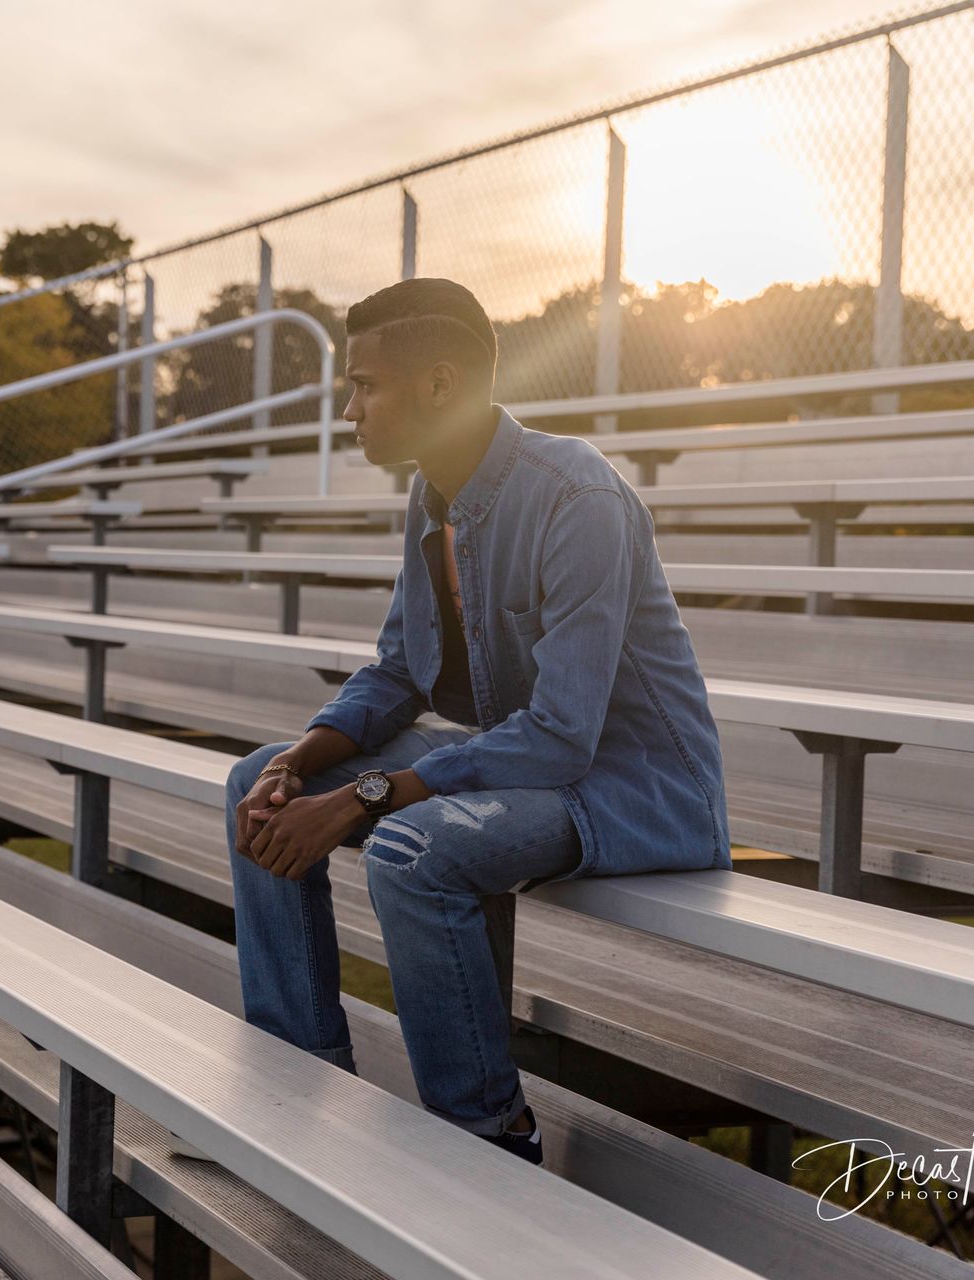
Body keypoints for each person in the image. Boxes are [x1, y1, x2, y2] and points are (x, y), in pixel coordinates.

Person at [217, 277, 731, 1168]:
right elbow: (396, 670)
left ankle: (487, 1137)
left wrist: (368, 796)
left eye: (365, 385)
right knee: (252, 782)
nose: (350, 410)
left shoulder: (578, 496)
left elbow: (564, 736)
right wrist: (300, 764)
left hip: (631, 788)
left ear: (441, 385)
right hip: (529, 766)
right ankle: (295, 1082)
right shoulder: (436, 496)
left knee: (410, 850)